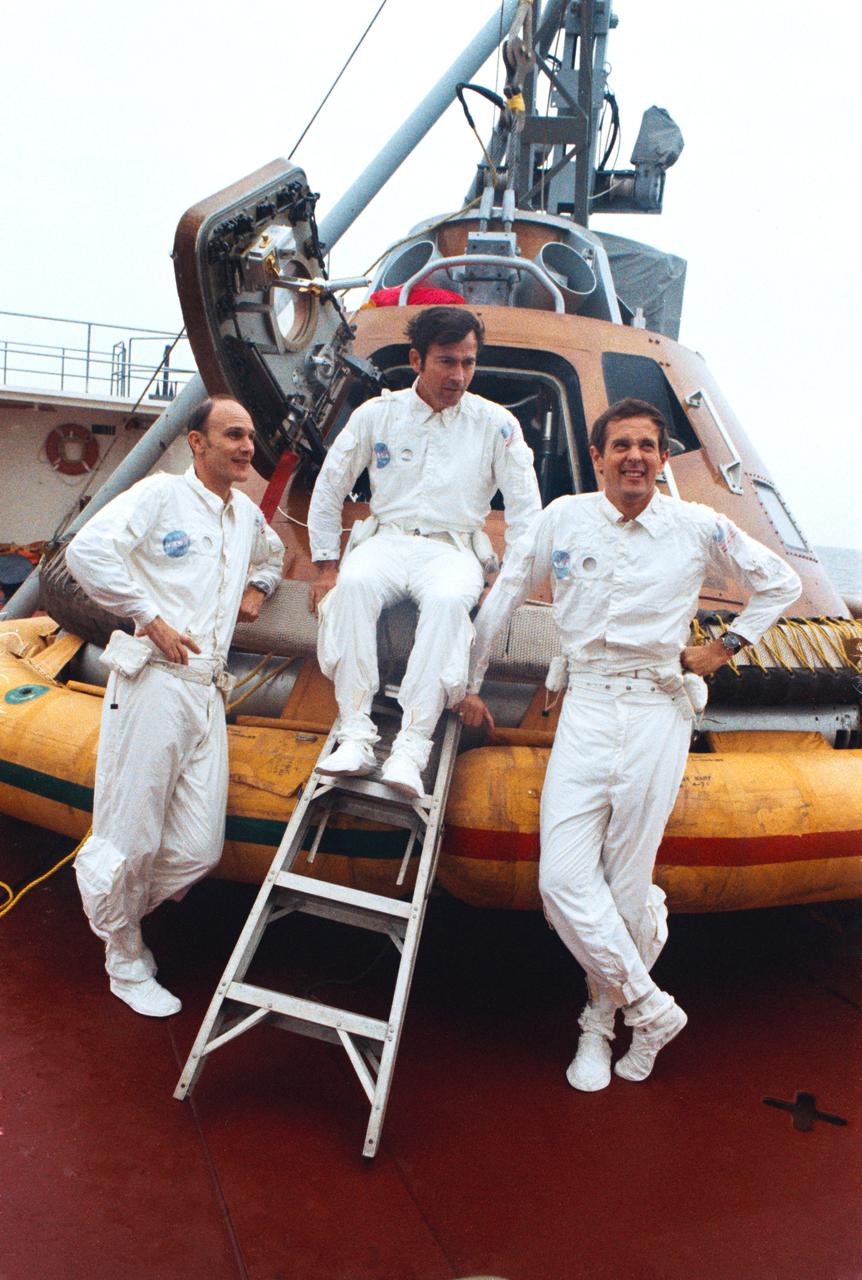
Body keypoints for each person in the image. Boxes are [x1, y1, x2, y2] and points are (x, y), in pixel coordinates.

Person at [456, 397, 801, 1089]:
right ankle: (652, 1005)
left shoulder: (698, 527)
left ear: (663, 458)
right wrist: (468, 681)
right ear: (598, 457)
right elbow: (502, 601)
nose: (634, 457)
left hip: (655, 711)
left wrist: (724, 647)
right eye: (621, 446)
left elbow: (782, 583)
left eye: (647, 445)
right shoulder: (563, 519)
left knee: (624, 886)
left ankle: (601, 1024)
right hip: (585, 707)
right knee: (561, 885)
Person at [65, 396, 284, 1017]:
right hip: (154, 682)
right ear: (197, 442)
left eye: (248, 437)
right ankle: (123, 955)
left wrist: (259, 590)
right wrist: (148, 615)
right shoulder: (161, 496)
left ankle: (112, 912)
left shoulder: (243, 515)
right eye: (231, 435)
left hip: (207, 691)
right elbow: (88, 551)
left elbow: (269, 556)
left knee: (197, 849)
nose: (245, 447)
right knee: (130, 831)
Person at [307, 306, 542, 799]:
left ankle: (412, 748)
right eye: (446, 361)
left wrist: (509, 577)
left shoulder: (496, 425)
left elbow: (526, 511)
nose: (459, 375)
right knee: (351, 586)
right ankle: (355, 734)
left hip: (453, 549)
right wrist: (327, 566)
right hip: (386, 539)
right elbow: (330, 486)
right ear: (417, 359)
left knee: (448, 602)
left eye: (468, 363)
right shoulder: (378, 414)